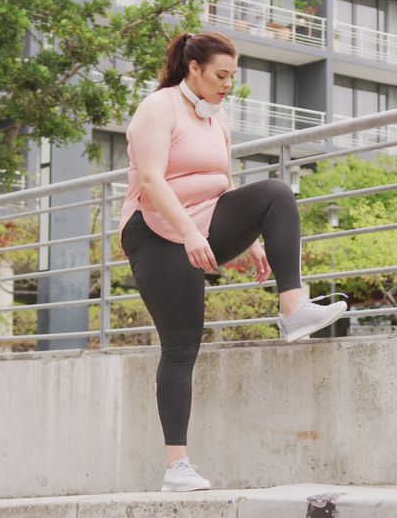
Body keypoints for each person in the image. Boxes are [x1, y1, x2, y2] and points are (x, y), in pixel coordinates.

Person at [118, 31, 347, 492]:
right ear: (194, 69)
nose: (228, 85)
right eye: (221, 76)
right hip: (156, 233)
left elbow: (221, 183)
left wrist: (255, 240)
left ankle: (292, 309)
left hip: (199, 225)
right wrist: (187, 234)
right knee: (181, 346)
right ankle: (176, 467)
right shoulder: (158, 108)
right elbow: (152, 181)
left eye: (233, 77)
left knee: (276, 194)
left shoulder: (217, 119)